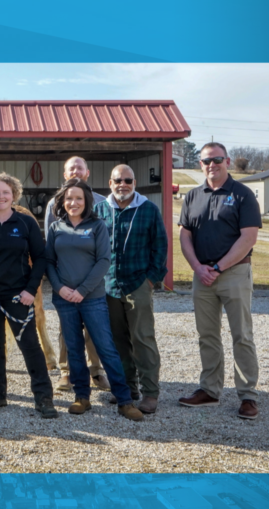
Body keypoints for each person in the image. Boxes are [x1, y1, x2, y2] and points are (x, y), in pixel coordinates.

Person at [45, 179, 144, 421]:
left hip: (92, 298)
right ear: (62, 202)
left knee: (106, 348)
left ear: (87, 201)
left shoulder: (98, 226)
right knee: (75, 350)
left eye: (78, 198)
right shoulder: (56, 228)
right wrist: (60, 289)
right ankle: (82, 397)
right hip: (64, 300)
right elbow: (48, 262)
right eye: (69, 198)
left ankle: (124, 400)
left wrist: (82, 290)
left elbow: (103, 261)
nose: (73, 202)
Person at [177, 142, 263, 419]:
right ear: (200, 164)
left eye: (216, 159)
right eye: (205, 161)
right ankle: (210, 391)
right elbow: (185, 235)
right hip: (202, 276)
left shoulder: (243, 194)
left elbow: (248, 237)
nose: (211, 165)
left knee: (242, 335)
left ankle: (248, 396)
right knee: (208, 335)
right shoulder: (192, 196)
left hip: (234, 273)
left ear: (226, 160)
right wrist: (198, 268)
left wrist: (217, 266)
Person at [0, 173, 57, 419]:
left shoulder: (25, 223)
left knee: (29, 344)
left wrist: (30, 290)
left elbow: (40, 258)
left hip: (18, 296)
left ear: (13, 194)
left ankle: (43, 397)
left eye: (5, 192)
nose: (1, 197)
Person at [101, 165, 168, 414]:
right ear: (110, 182)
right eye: (118, 180)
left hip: (138, 283)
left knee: (142, 339)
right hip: (109, 286)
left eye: (128, 180)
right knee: (118, 341)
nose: (123, 184)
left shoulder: (148, 209)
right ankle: (128, 389)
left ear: (134, 182)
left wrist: (151, 279)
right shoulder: (100, 210)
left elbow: (160, 247)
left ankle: (150, 392)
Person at [44, 156, 111, 392]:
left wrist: (88, 284)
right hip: (65, 280)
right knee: (67, 328)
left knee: (95, 329)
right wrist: (60, 285)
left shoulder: (103, 202)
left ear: (87, 172)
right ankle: (66, 371)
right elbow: (50, 247)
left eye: (79, 167)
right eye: (71, 168)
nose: (75, 171)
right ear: (65, 174)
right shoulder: (55, 203)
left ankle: (96, 370)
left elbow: (105, 245)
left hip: (94, 278)